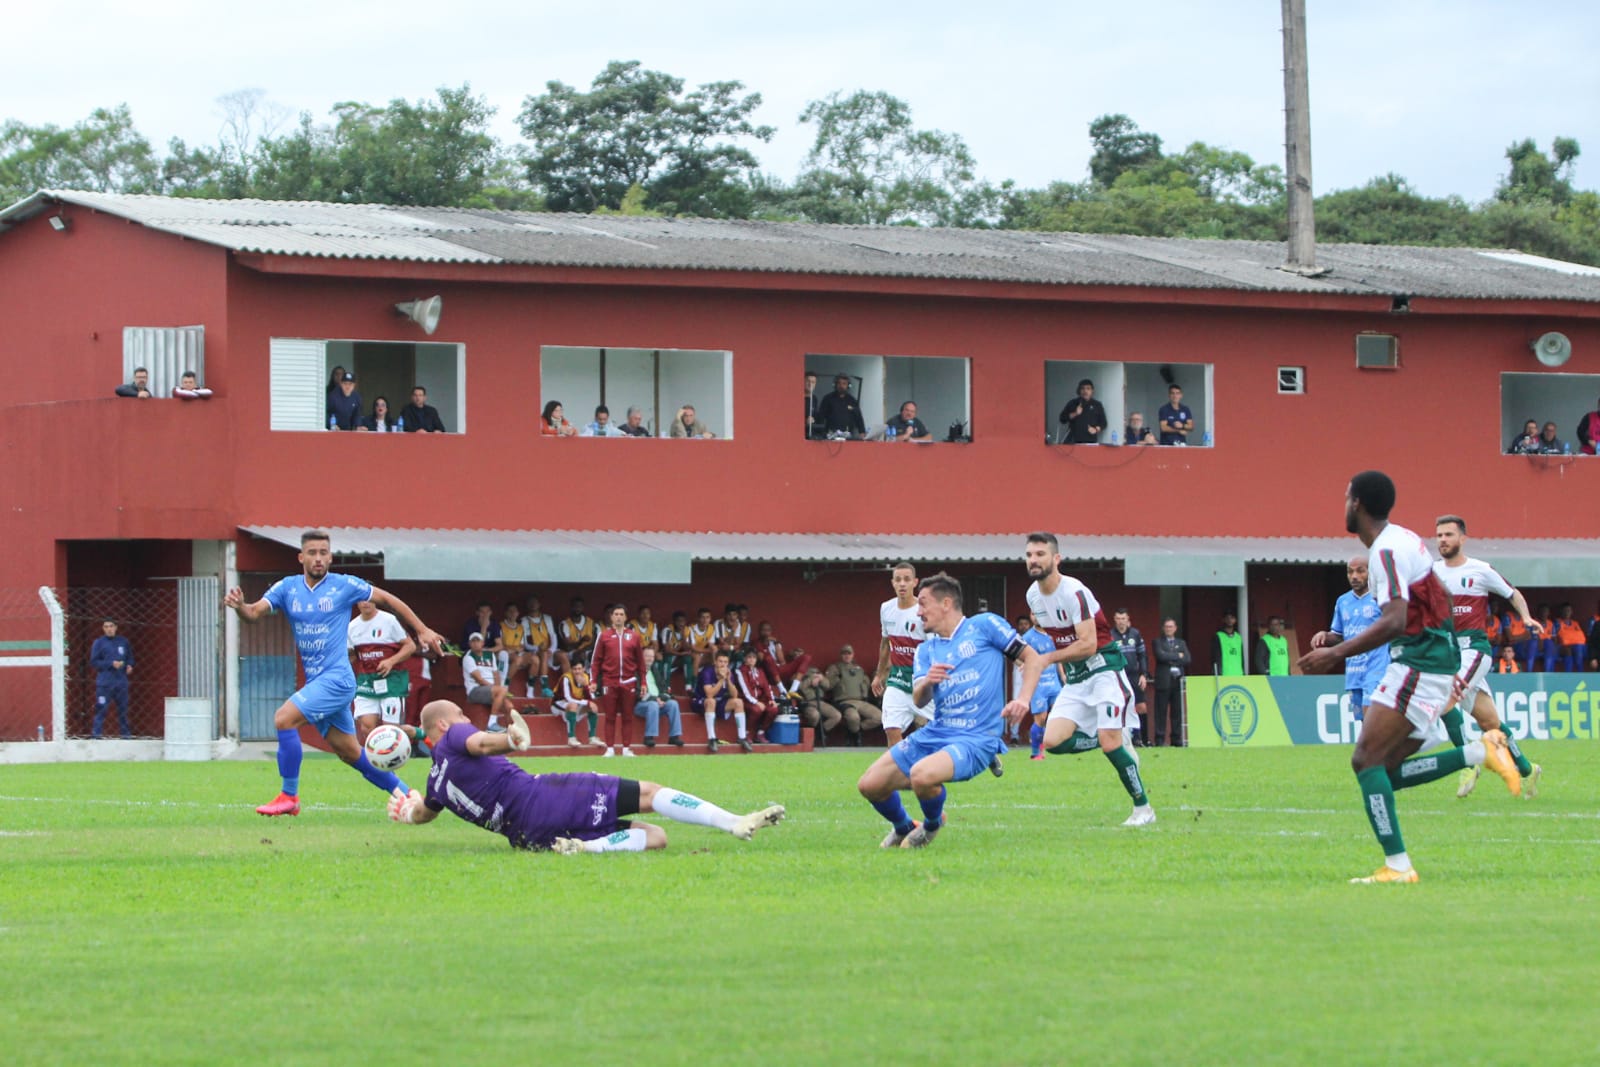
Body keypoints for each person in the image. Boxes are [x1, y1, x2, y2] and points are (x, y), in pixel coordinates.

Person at [1296, 471, 1521, 884]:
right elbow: (1444, 597)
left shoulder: (1385, 551)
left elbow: (1395, 620)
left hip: (1418, 661)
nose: (1344, 504)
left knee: (1364, 760)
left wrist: (1335, 653)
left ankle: (1399, 866)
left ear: (1357, 504)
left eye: (1346, 497)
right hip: (1427, 658)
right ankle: (1476, 753)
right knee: (1385, 772)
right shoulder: (1402, 539)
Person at [223, 529, 444, 817]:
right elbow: (253, 613)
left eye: (323, 553)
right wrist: (240, 606)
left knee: (284, 719)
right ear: (301, 557)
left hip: (337, 680)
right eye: (312, 553)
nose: (318, 558)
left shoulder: (344, 585)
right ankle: (407, 793)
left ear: (330, 557)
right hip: (320, 681)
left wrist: (422, 630)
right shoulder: (287, 588)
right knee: (350, 752)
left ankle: (289, 796)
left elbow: (388, 600)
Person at [387, 699, 784, 853]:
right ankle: (733, 822)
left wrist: (406, 810)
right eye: (460, 715)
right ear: (444, 724)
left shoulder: (436, 781)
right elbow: (481, 744)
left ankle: (582, 847)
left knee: (655, 837)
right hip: (542, 798)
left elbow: (424, 814)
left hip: (527, 837)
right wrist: (509, 737)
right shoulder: (457, 735)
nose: (466, 719)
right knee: (648, 792)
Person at [857, 572, 1044, 848]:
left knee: (922, 775)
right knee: (869, 785)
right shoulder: (926, 649)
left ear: (946, 603)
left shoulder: (984, 625)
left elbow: (1032, 657)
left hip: (977, 737)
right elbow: (919, 700)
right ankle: (903, 826)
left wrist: (1023, 700)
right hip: (939, 730)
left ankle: (931, 826)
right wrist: (929, 682)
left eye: (923, 604)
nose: (918, 612)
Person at [1025, 534, 1154, 824]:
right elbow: (1061, 643)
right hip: (1077, 678)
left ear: (1056, 559)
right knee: (1053, 742)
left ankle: (1143, 808)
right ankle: (1107, 736)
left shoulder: (1075, 592)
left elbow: (1087, 644)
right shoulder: (1032, 596)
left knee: (1111, 746)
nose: (1033, 560)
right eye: (1030, 554)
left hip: (1104, 671)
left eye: (1040, 554)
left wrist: (1045, 659)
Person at [1431, 515, 1542, 798]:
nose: (1442, 540)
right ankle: (1528, 768)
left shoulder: (1480, 570)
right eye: (1439, 535)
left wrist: (1526, 617)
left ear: (1462, 539)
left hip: (1474, 649)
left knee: (1444, 701)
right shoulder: (1431, 572)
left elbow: (1512, 592)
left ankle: (1467, 764)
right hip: (1449, 652)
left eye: (1448, 535)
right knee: (1489, 722)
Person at [1310, 558, 1387, 724]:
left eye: (1360, 571)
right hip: (1354, 671)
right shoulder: (1343, 601)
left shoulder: (1380, 598)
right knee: (1363, 722)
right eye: (1350, 572)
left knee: (1371, 718)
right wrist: (1325, 635)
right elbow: (1339, 636)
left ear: (1370, 572)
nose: (1354, 576)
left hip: (1377, 668)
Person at [871, 562, 933, 746]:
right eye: (898, 580)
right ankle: (903, 772)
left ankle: (985, 748)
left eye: (906, 579)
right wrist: (879, 674)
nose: (902, 584)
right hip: (897, 680)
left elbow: (934, 649)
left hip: (923, 681)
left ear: (915, 582)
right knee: (891, 729)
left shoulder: (923, 612)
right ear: (892, 583)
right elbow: (885, 643)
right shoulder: (886, 609)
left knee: (950, 729)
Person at [347, 599, 415, 745]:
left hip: (391, 680)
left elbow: (410, 646)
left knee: (390, 729)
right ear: (357, 603)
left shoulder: (389, 621)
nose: (366, 603)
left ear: (376, 602)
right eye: (362, 600)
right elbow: (352, 655)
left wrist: (391, 661)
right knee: (366, 727)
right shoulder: (352, 626)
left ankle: (419, 733)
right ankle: (377, 757)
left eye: (370, 600)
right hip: (366, 680)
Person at [590, 604, 643, 757]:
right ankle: (610, 748)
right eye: (616, 614)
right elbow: (596, 661)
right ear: (611, 617)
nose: (619, 617)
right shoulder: (604, 636)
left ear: (626, 617)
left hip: (629, 681)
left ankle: (626, 748)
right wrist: (594, 681)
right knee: (610, 716)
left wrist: (643, 682)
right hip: (609, 681)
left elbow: (640, 662)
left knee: (627, 716)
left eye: (621, 614)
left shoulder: (634, 636)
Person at [462, 632, 519, 735]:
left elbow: (496, 674)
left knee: (509, 707)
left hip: (492, 690)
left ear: (482, 643)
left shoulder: (490, 655)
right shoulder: (468, 658)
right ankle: (491, 724)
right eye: (473, 641)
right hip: (475, 690)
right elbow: (479, 679)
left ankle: (510, 735)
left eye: (477, 641)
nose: (475, 644)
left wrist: (497, 689)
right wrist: (497, 690)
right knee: (502, 690)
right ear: (469, 644)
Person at [694, 650, 751, 753]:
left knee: (738, 702)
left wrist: (728, 680)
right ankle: (712, 739)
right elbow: (709, 694)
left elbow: (734, 695)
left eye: (725, 662)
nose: (723, 664)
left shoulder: (728, 673)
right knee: (711, 701)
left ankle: (742, 737)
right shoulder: (707, 672)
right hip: (701, 702)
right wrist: (721, 680)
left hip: (719, 702)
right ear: (715, 662)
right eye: (720, 661)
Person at [826, 644, 882, 746]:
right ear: (841, 655)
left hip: (860, 701)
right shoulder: (835, 668)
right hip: (844, 701)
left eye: (849, 653)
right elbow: (828, 685)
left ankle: (855, 731)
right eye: (844, 654)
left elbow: (866, 683)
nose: (847, 656)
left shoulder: (859, 669)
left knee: (880, 717)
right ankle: (855, 735)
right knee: (853, 718)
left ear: (853, 655)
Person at [89, 617, 135, 738]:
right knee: (101, 709)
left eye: (111, 626)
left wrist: (129, 665)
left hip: (121, 682)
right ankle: (97, 735)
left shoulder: (123, 642)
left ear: (116, 627)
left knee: (123, 710)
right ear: (103, 628)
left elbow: (130, 658)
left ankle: (125, 735)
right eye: (106, 627)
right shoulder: (98, 643)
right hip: (105, 683)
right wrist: (110, 664)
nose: (109, 629)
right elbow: (94, 662)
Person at [1149, 618, 1189, 750]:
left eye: (1171, 627)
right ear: (1163, 628)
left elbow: (1188, 659)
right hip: (1163, 681)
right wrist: (1178, 656)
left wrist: (1170, 656)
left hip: (1177, 681)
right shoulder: (1157, 642)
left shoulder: (1181, 642)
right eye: (1166, 627)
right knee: (1161, 711)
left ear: (1175, 628)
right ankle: (1159, 739)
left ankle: (1176, 739)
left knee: (1177, 711)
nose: (1169, 629)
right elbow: (1161, 656)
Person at [1110, 610, 1148, 745]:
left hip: (1134, 676)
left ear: (1128, 619)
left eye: (1123, 618)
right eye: (1118, 618)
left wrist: (1144, 674)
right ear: (1115, 619)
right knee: (1121, 707)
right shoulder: (1111, 635)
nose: (1121, 621)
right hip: (1119, 676)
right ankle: (1124, 738)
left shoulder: (1135, 634)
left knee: (1141, 707)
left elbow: (1142, 655)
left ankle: (1142, 738)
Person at [634, 648, 684, 748]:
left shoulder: (654, 670)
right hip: (641, 704)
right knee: (653, 705)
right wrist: (655, 700)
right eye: (647, 656)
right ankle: (649, 737)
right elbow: (638, 692)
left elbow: (664, 688)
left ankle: (674, 737)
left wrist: (661, 699)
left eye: (652, 656)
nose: (650, 659)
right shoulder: (635, 672)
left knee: (673, 704)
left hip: (658, 702)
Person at [735, 646, 780, 743]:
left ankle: (760, 733)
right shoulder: (740, 671)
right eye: (749, 657)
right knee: (757, 709)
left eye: (754, 657)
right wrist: (756, 702)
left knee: (773, 709)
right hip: (746, 700)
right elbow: (745, 690)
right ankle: (746, 733)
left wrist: (771, 699)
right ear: (745, 659)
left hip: (761, 700)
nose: (751, 660)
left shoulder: (760, 671)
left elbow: (767, 687)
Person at [554, 661, 605, 748]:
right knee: (573, 705)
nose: (577, 671)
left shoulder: (586, 677)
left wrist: (585, 685)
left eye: (579, 669)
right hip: (558, 704)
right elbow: (568, 698)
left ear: (584, 669)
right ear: (571, 669)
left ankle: (592, 738)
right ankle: (571, 738)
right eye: (574, 669)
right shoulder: (566, 678)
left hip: (576, 703)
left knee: (593, 707)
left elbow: (591, 697)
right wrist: (587, 702)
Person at [755, 619, 810, 697]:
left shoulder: (774, 642)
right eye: (763, 630)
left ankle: (793, 689)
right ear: (759, 631)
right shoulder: (757, 643)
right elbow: (762, 659)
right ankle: (782, 690)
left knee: (806, 657)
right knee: (768, 659)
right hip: (770, 674)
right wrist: (765, 645)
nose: (766, 633)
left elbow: (782, 661)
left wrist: (776, 643)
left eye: (768, 630)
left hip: (780, 670)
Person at [519, 595, 560, 697]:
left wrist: (552, 649)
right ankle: (545, 686)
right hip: (533, 650)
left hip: (548, 650)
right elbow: (524, 643)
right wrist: (537, 648)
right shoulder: (523, 620)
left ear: (539, 604)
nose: (533, 605)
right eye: (530, 603)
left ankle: (568, 687)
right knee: (543, 654)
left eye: (535, 602)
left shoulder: (547, 618)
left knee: (557, 655)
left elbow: (553, 636)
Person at [794, 666, 843, 747]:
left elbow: (827, 686)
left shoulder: (818, 673)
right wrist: (810, 680)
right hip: (807, 702)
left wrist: (821, 678)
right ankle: (808, 735)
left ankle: (819, 732)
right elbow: (800, 687)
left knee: (837, 715)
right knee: (815, 715)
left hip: (820, 701)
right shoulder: (797, 674)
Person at [494, 602, 535, 694]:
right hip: (504, 653)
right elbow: (500, 645)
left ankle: (530, 688)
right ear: (506, 613)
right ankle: (505, 684)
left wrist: (517, 649)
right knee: (518, 659)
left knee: (535, 659)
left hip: (517, 653)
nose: (513, 613)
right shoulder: (500, 625)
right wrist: (514, 648)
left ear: (518, 613)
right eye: (510, 611)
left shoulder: (521, 627)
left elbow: (522, 645)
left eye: (515, 611)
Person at [815, 374, 866, 439]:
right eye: (839, 383)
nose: (841, 386)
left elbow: (859, 417)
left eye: (844, 383)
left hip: (848, 435)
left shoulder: (853, 401)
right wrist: (820, 433)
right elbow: (821, 417)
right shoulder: (827, 399)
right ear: (835, 385)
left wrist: (862, 432)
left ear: (848, 386)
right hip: (831, 435)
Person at [1058, 378, 1106, 444]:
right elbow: (1062, 419)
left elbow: (1103, 423)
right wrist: (1075, 413)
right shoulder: (1073, 403)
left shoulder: (1097, 405)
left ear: (1092, 391)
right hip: (1073, 441)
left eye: (1088, 388)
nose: (1085, 391)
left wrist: (1096, 429)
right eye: (1082, 388)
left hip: (1090, 441)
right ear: (1079, 391)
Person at [660, 610, 696, 694]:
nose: (681, 623)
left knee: (688, 657)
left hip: (678, 657)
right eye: (679, 621)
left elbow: (687, 649)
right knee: (668, 658)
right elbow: (667, 650)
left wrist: (683, 635)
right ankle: (667, 686)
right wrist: (680, 653)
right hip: (667, 656)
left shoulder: (687, 630)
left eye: (683, 621)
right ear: (674, 621)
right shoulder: (668, 630)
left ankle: (688, 687)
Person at [558, 597, 597, 669]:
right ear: (571, 607)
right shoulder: (565, 624)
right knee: (578, 655)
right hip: (571, 653)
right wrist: (581, 641)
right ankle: (577, 679)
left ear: (583, 608)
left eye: (580, 606)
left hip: (587, 650)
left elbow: (594, 642)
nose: (577, 608)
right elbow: (568, 647)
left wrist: (583, 650)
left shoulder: (590, 622)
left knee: (596, 655)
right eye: (575, 606)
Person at [1552, 604, 1586, 672]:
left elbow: (1581, 637)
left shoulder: (1575, 623)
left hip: (1576, 646)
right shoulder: (1557, 622)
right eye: (1565, 610)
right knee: (1569, 651)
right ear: (1561, 612)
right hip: (1561, 647)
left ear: (1571, 612)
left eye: (1568, 610)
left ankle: (1581, 675)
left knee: (1578, 647)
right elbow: (1555, 637)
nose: (1567, 612)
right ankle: (1569, 676)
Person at [1211, 612, 1245, 677]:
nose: (1229, 620)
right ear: (1223, 620)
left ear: (1235, 620)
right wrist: (1217, 673)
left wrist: (1243, 672)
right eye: (1227, 618)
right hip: (1223, 674)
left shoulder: (1238, 637)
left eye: (1232, 618)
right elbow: (1215, 657)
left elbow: (1242, 657)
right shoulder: (1218, 636)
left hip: (1238, 674)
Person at [804, 371, 822, 439]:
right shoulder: (796, 398)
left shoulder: (814, 399)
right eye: (808, 381)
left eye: (813, 382)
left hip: (810, 435)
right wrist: (804, 421)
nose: (810, 384)